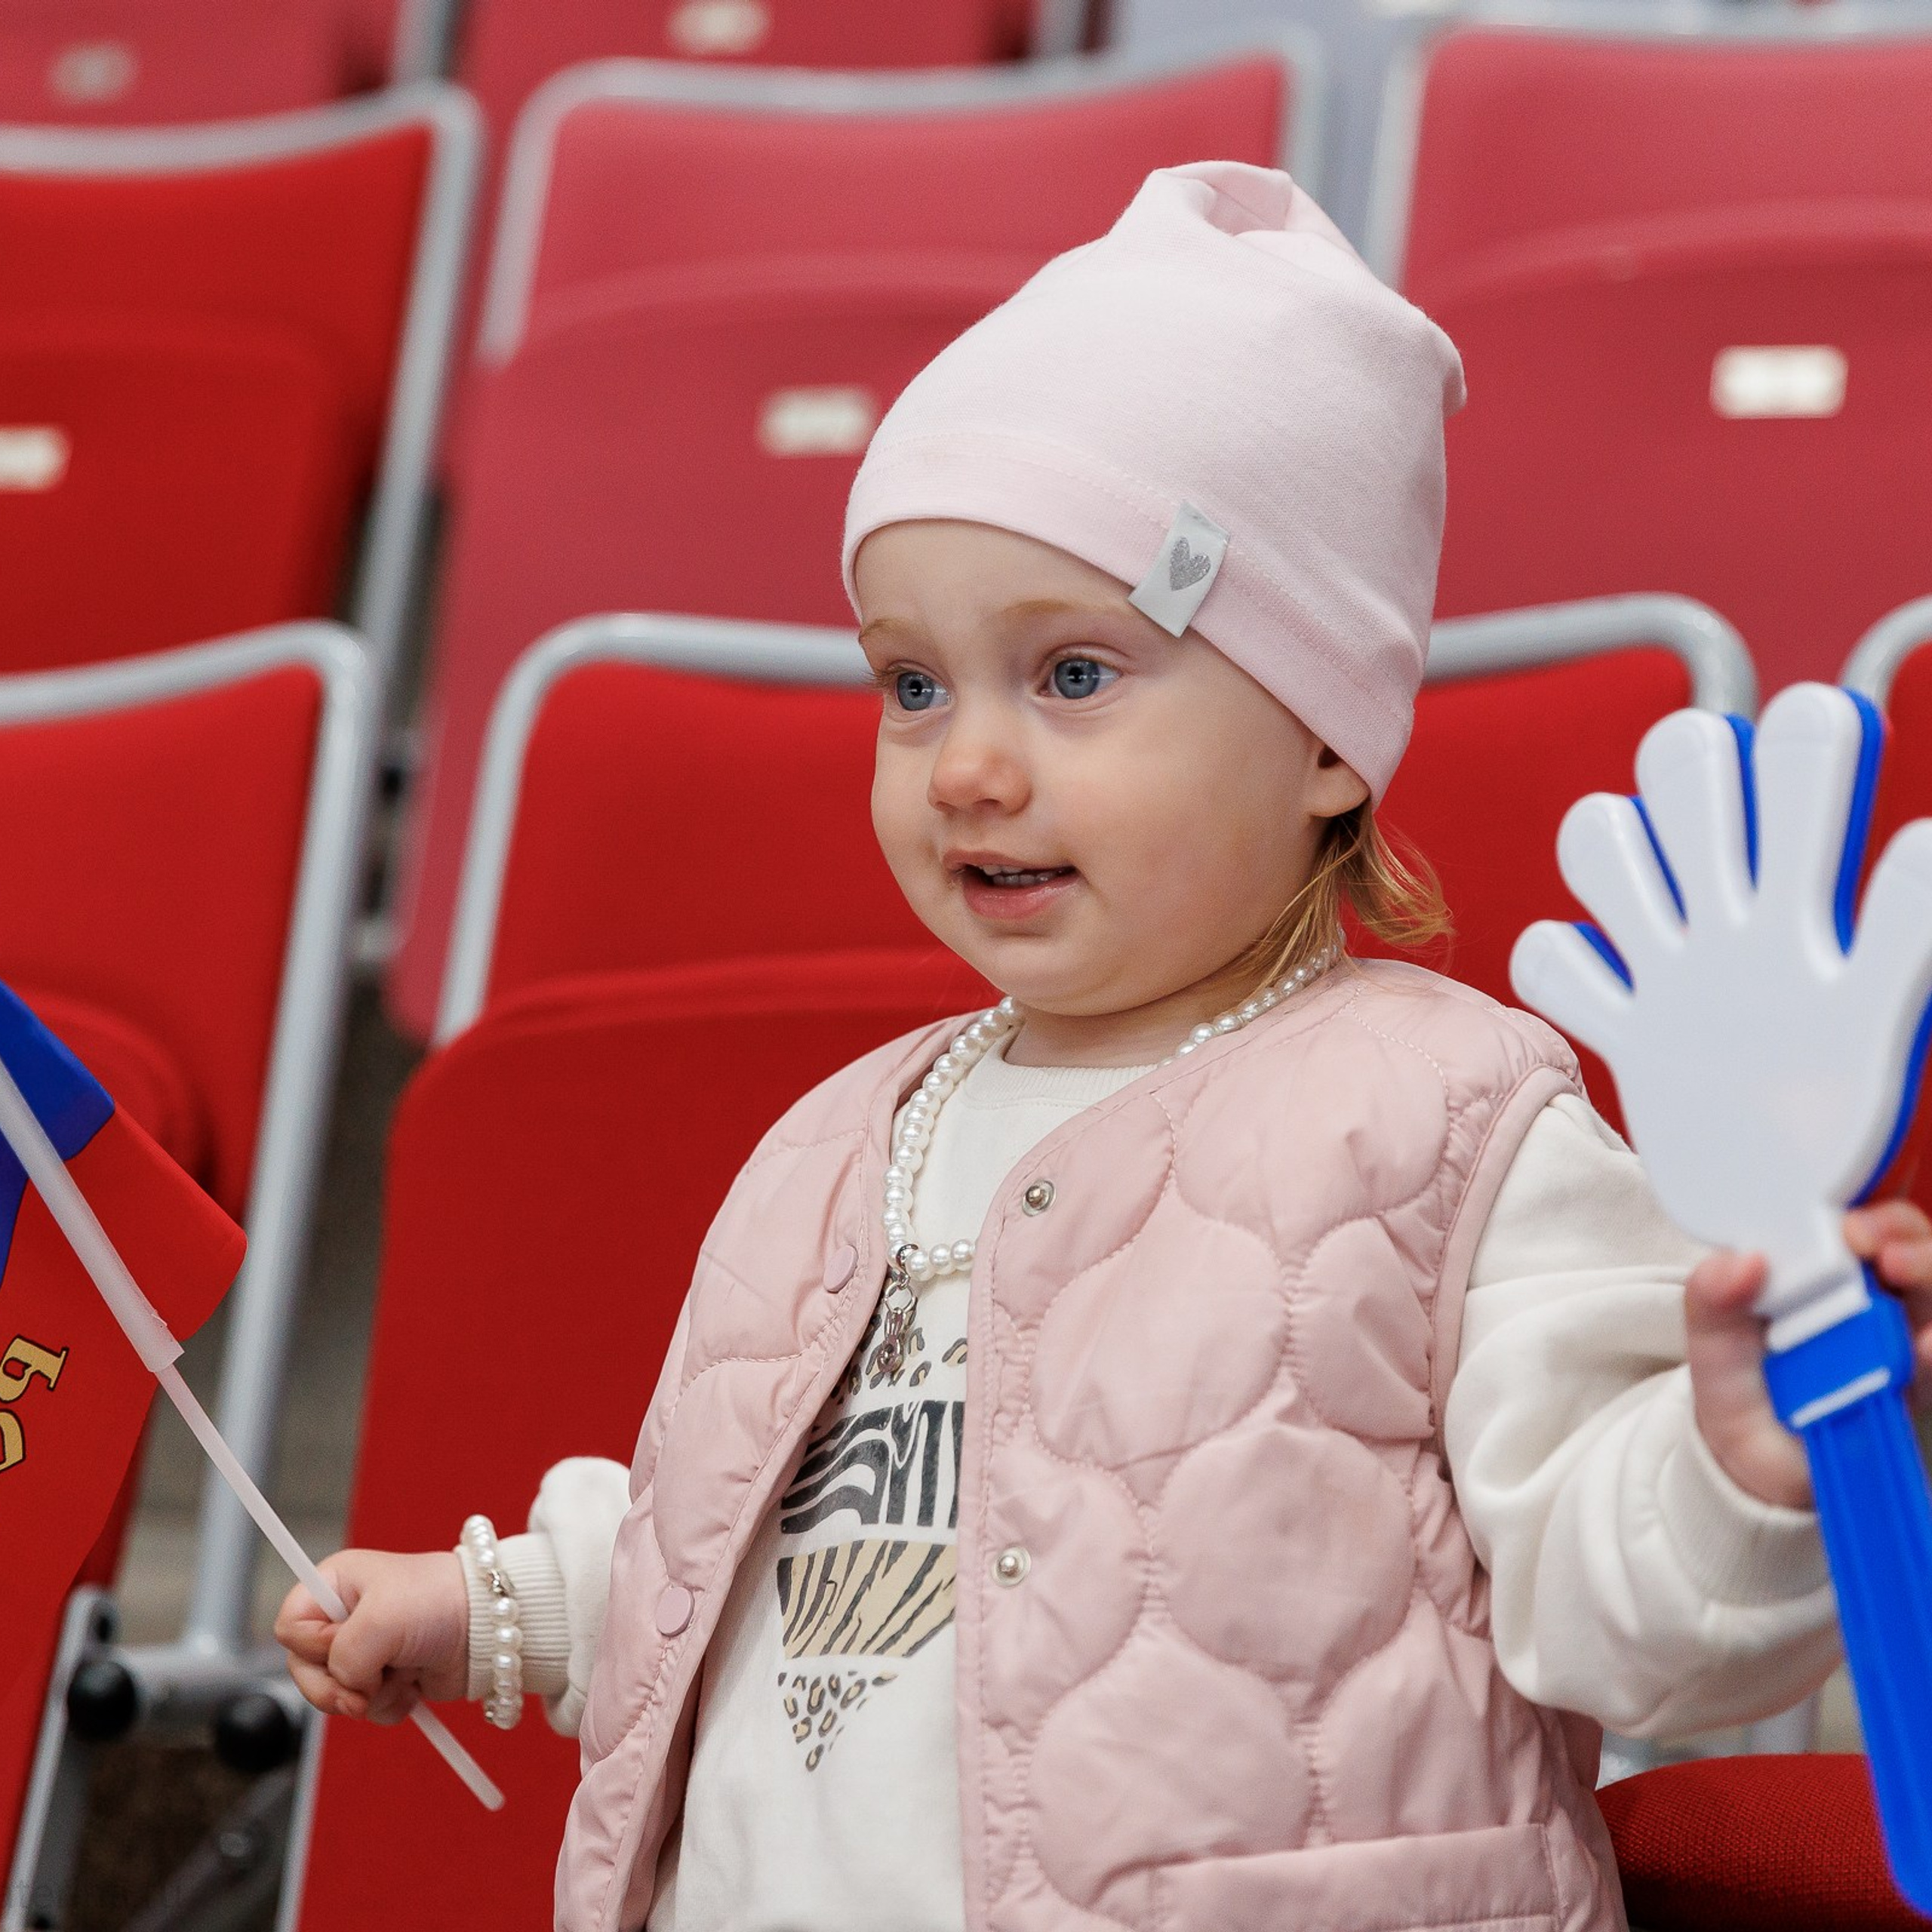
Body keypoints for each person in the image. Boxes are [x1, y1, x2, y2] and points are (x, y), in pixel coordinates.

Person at [277, 162, 1932, 1932]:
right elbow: (764, 1540)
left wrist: (1730, 1458)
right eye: (911, 684)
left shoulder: (1449, 1123)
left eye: (1071, 675)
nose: (967, 764)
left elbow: (1609, 1604)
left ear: (1321, 736)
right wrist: (493, 1610)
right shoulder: (845, 1137)